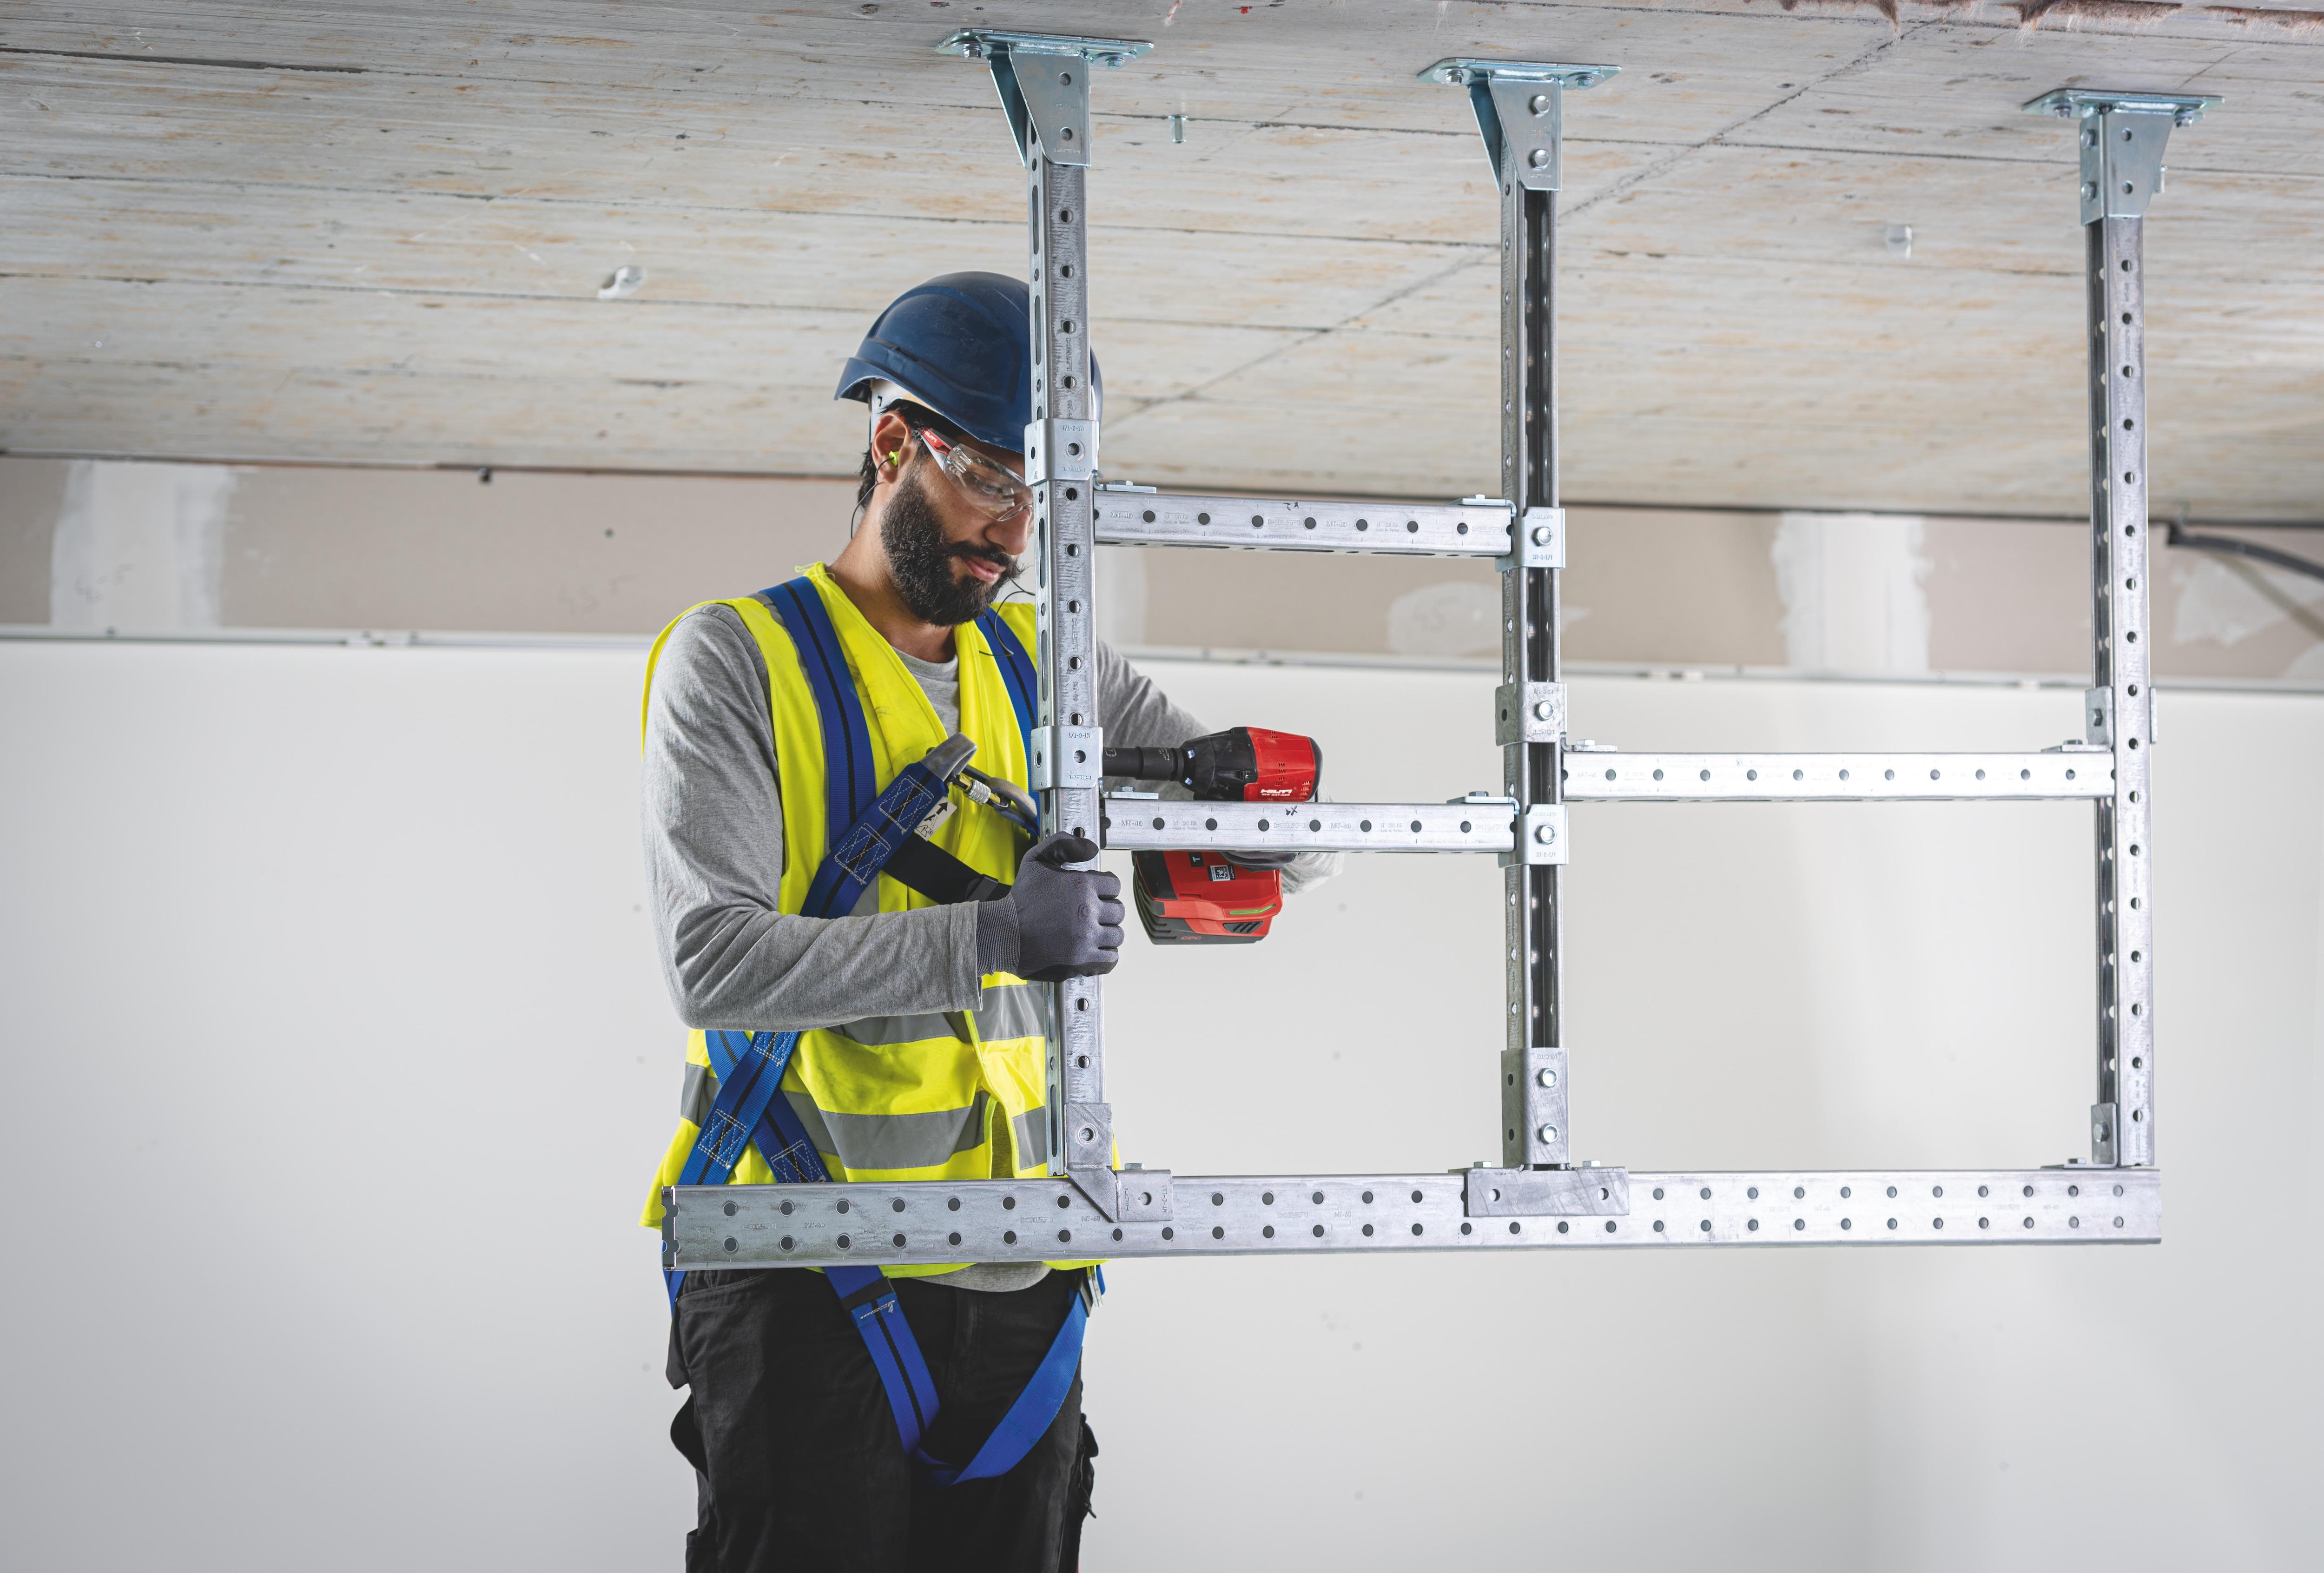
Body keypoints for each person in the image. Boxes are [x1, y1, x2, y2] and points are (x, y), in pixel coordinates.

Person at [637, 271, 1334, 1572]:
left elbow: (1284, 848)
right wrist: (998, 939)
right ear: (893, 443)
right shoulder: (736, 661)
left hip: (1024, 1270)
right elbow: (711, 962)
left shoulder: (1045, 665)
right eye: (992, 483)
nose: (1014, 535)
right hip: (806, 1264)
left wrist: (1249, 803)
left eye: (1040, 502)